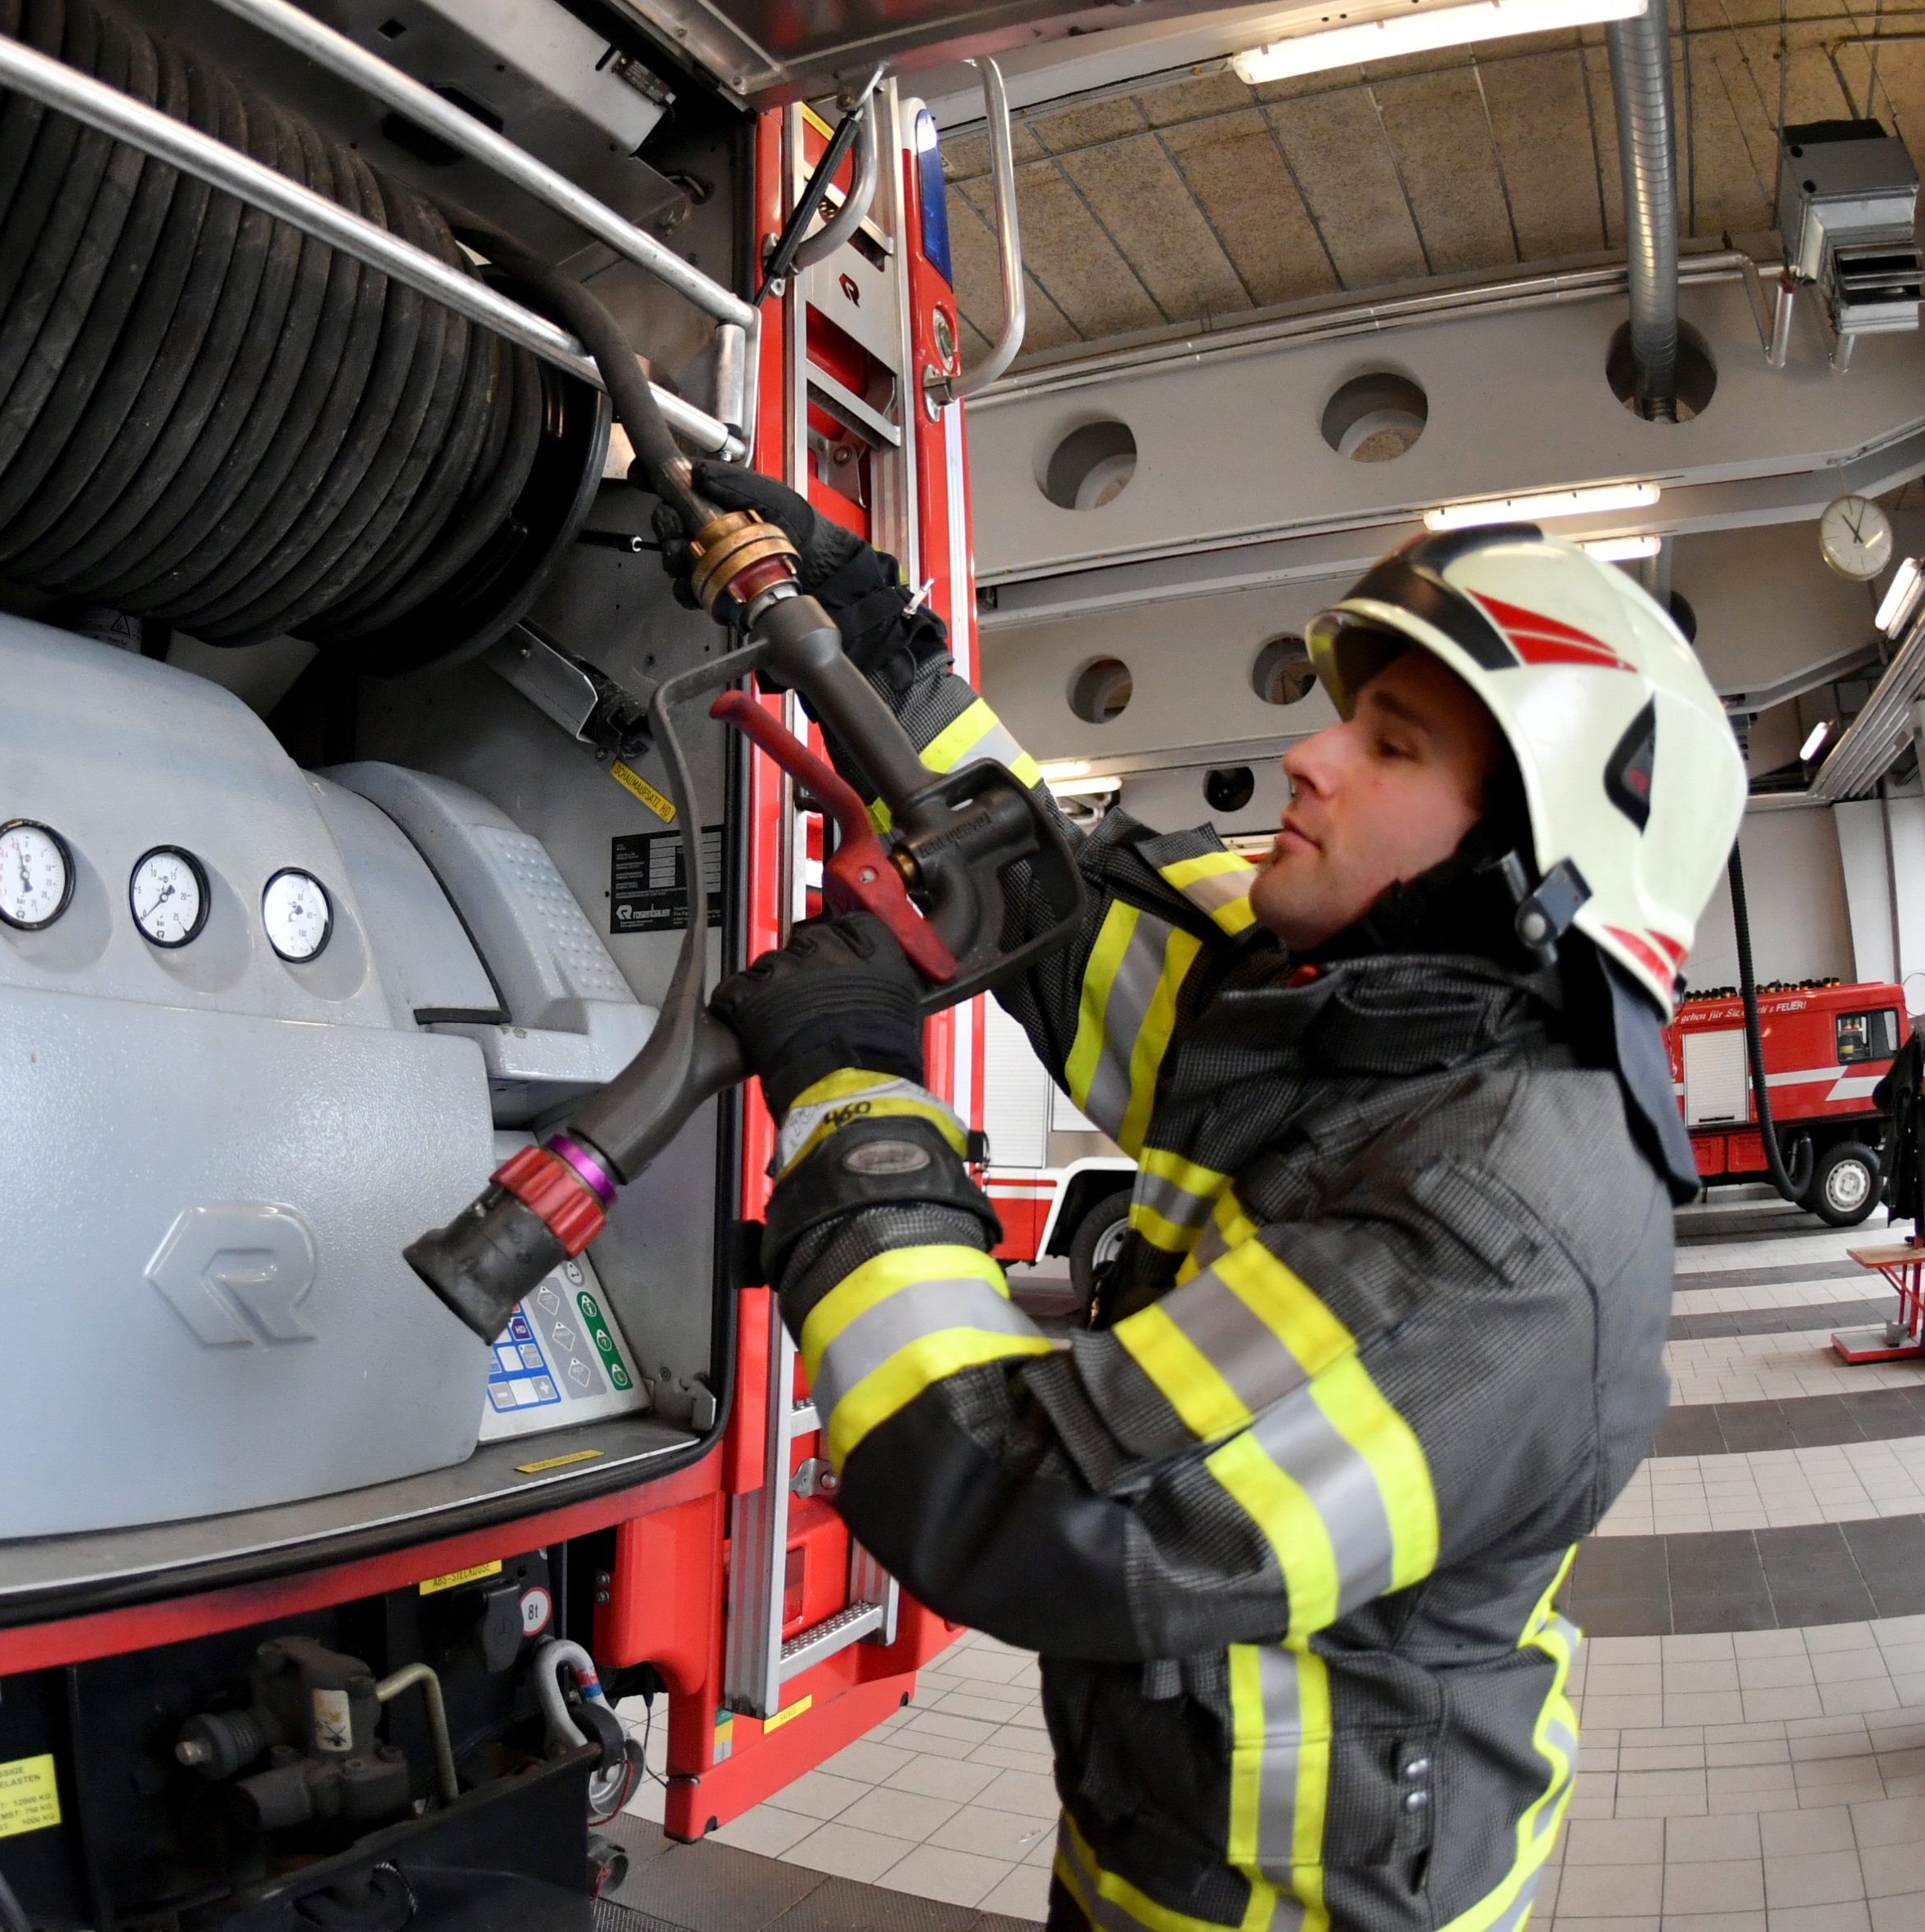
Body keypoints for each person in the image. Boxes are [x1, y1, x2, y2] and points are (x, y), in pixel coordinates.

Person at [662, 465, 1745, 1932]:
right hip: (1148, 1854)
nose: (1306, 756)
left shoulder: (1491, 1240)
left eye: (1390, 743)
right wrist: (879, 645)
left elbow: (1006, 1495)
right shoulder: (1342, 1016)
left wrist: (858, 1097)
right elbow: (1052, 916)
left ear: (1526, 866)